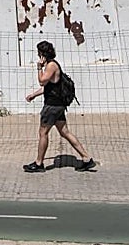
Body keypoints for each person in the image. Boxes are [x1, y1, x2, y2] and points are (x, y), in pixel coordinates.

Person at [23, 40, 96, 172]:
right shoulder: (53, 65)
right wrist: (34, 95)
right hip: (57, 105)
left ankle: (39, 163)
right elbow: (50, 87)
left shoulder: (51, 66)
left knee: (43, 133)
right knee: (64, 132)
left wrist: (39, 67)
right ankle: (86, 159)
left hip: (52, 106)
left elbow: (42, 81)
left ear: (42, 54)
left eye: (39, 53)